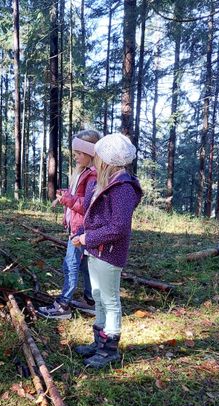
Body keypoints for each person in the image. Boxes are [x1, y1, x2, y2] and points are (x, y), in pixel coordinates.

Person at [72, 133, 142, 369]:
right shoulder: (105, 182)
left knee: (110, 300)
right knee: (99, 297)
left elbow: (118, 227)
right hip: (95, 249)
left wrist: (87, 237)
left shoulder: (123, 188)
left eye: (99, 156)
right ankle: (98, 343)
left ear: (108, 160)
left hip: (109, 253)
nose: (95, 159)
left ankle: (109, 348)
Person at [38, 130, 100, 320]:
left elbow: (87, 205)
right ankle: (91, 301)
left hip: (82, 229)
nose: (75, 157)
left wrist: (67, 199)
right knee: (84, 266)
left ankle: (63, 305)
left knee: (71, 264)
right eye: (74, 153)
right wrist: (66, 195)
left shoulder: (93, 176)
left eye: (78, 153)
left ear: (90, 153)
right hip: (78, 227)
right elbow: (78, 198)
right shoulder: (82, 173)